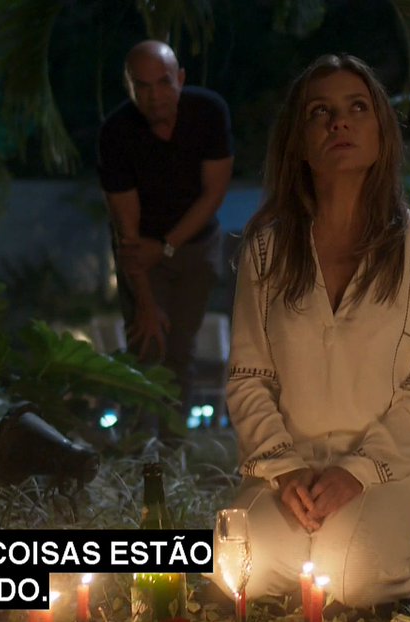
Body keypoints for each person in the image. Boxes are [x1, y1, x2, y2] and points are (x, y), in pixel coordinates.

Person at [220, 54, 410, 609]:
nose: (339, 123)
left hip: (390, 471)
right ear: (300, 142)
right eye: (320, 112)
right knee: (234, 565)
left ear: (382, 132)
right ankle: (319, 542)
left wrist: (356, 472)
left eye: (357, 108)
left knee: (355, 576)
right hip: (290, 474)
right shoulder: (267, 249)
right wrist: (285, 470)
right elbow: (248, 377)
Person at [97, 40, 234, 421]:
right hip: (142, 249)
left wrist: (168, 246)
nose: (154, 95)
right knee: (147, 344)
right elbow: (127, 232)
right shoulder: (117, 133)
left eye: (163, 82)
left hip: (196, 243)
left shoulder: (208, 112)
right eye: (142, 86)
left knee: (181, 349)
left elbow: (214, 192)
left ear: (180, 79)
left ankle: (173, 443)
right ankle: (139, 441)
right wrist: (144, 302)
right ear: (129, 87)